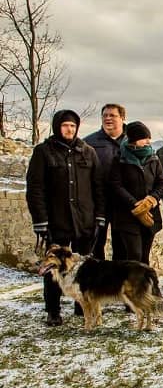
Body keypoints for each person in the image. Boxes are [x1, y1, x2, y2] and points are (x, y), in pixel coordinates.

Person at [26, 110, 105, 326]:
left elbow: (98, 186)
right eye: (65, 125)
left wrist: (99, 215)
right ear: (57, 127)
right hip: (56, 220)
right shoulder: (44, 152)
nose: (69, 129)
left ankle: (82, 306)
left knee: (84, 267)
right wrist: (40, 220)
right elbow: (35, 188)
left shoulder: (87, 152)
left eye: (72, 126)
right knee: (54, 267)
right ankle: (53, 310)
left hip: (84, 219)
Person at [108, 121, 163, 264]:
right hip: (127, 216)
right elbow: (116, 185)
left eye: (148, 138)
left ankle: (144, 279)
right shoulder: (120, 159)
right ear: (134, 139)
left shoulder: (153, 158)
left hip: (150, 214)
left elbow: (162, 182)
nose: (148, 142)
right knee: (134, 254)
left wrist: (151, 199)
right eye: (144, 138)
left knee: (144, 257)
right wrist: (135, 205)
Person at [83, 103, 126, 260]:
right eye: (105, 115)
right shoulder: (89, 143)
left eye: (112, 115)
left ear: (122, 118)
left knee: (122, 246)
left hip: (124, 202)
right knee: (95, 243)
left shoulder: (131, 141)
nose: (108, 118)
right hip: (97, 202)